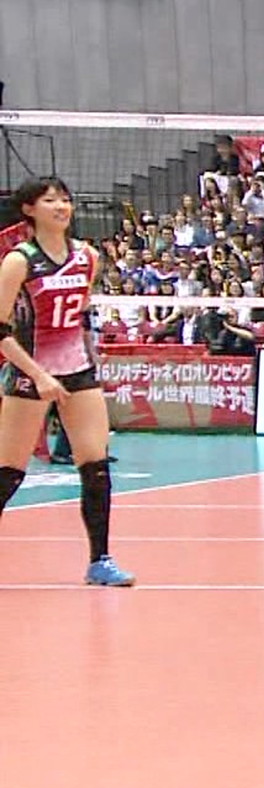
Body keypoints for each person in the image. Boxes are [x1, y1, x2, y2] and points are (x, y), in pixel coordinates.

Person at [0, 177, 134, 585]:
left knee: (96, 467)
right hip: (31, 373)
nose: (61, 206)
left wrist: (91, 355)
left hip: (78, 372)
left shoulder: (87, 257)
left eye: (65, 200)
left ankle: (100, 561)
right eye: (50, 200)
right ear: (29, 210)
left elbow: (79, 316)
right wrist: (38, 375)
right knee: (9, 473)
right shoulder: (19, 261)